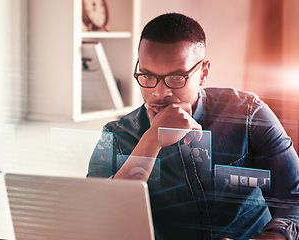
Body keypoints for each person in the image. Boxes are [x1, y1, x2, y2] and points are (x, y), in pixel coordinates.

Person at [87, 13, 299, 240]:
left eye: (176, 78)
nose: (159, 93)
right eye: (147, 76)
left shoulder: (247, 114)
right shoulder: (118, 135)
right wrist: (151, 140)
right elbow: (99, 217)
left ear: (204, 72)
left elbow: (293, 196)